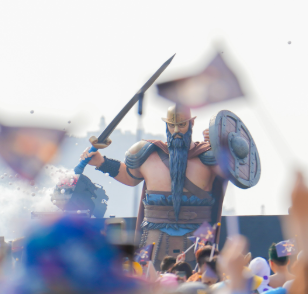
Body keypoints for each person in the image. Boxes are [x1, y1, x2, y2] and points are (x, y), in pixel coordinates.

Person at [78, 103, 224, 268]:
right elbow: (130, 176)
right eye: (172, 125)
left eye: (182, 125)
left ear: (192, 123)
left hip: (199, 236)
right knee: (150, 282)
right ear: (166, 125)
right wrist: (102, 162)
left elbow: (234, 172)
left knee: (201, 281)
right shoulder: (147, 153)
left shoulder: (209, 156)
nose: (176, 131)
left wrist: (221, 146)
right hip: (154, 236)